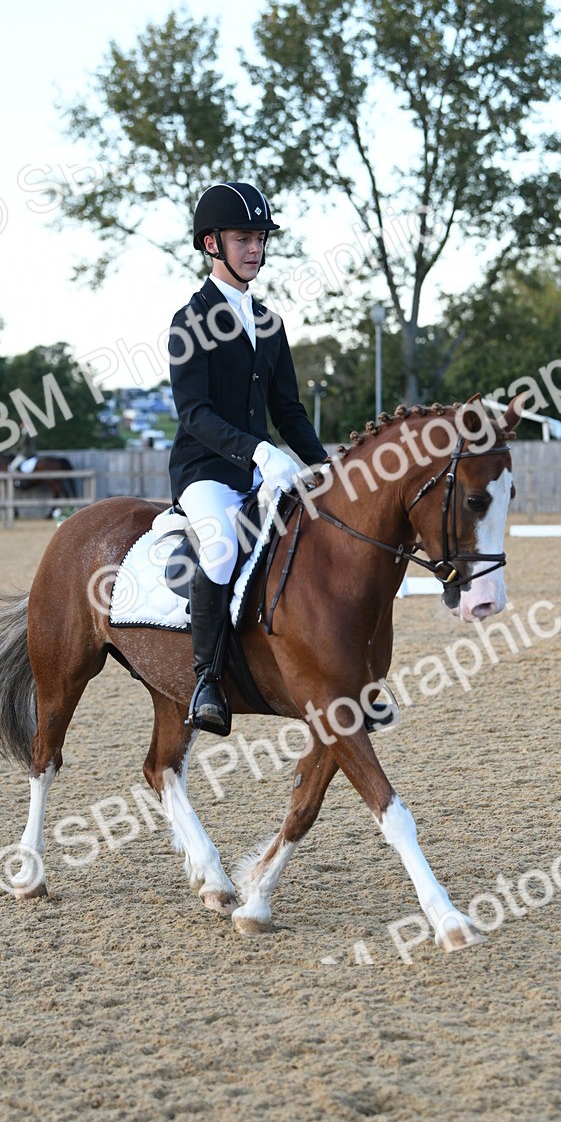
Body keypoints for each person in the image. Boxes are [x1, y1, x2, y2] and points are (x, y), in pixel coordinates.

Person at [168, 182, 328, 735]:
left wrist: (327, 468)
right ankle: (207, 681)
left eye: (260, 238)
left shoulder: (268, 321)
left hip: (264, 470)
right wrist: (257, 450)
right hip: (206, 471)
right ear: (212, 243)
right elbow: (194, 413)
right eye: (243, 238)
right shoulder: (190, 321)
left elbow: (288, 409)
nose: (255, 248)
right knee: (216, 550)